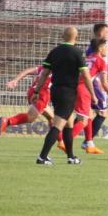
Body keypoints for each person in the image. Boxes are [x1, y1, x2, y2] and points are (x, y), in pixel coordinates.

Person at [30, 26, 98, 165]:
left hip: (55, 91)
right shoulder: (77, 53)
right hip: (68, 92)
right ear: (77, 38)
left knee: (69, 123)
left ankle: (71, 156)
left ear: (62, 37)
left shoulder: (54, 51)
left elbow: (44, 73)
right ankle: (42, 157)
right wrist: (93, 95)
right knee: (58, 125)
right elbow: (85, 76)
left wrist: (36, 91)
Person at [70, 37, 108, 155]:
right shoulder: (101, 61)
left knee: (88, 115)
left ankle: (89, 144)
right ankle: (65, 140)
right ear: (100, 48)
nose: (106, 50)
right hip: (83, 89)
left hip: (74, 86)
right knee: (84, 120)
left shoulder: (87, 58)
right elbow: (104, 83)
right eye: (105, 47)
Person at [0, 65, 55, 137]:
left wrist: (15, 80)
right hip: (42, 93)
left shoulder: (44, 67)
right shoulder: (61, 70)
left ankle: (61, 142)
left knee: (52, 119)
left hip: (32, 91)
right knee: (30, 118)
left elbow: (28, 71)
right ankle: (7, 121)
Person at [80, 23, 108, 153]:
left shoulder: (91, 47)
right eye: (106, 32)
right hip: (93, 84)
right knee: (102, 113)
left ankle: (88, 141)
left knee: (88, 114)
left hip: (89, 83)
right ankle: (87, 141)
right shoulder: (94, 49)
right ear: (99, 33)